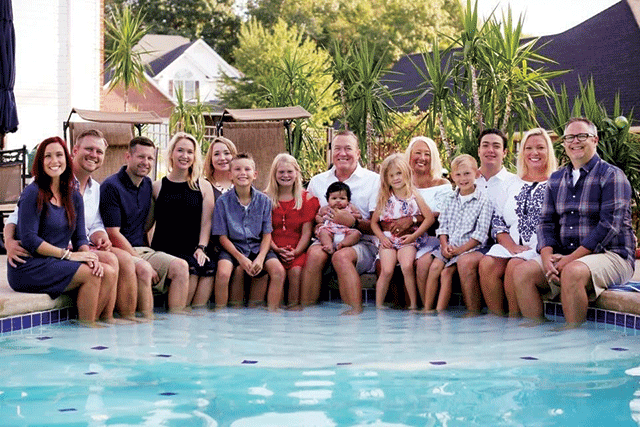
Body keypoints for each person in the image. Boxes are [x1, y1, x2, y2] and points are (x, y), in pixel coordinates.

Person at [4, 130, 144, 321]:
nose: (54, 160)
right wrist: (70, 255)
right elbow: (29, 238)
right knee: (93, 275)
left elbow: (80, 238)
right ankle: (87, 327)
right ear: (40, 161)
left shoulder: (74, 196)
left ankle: (103, 322)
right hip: (29, 265)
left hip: (55, 261)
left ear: (66, 159)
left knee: (107, 271)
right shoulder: (33, 192)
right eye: (48, 156)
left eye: (59, 155)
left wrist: (87, 255)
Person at [513, 118, 636, 328]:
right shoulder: (557, 178)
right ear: (564, 143)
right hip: (567, 255)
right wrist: (546, 258)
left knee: (572, 272)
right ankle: (536, 337)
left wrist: (570, 259)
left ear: (595, 140)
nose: (575, 141)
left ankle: (573, 338)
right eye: (570, 137)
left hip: (612, 255)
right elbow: (546, 222)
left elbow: (608, 226)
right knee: (523, 273)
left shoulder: (612, 176)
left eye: (582, 136)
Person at [100, 136, 190, 313]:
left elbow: (146, 225)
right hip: (116, 250)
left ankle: (177, 327)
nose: (146, 162)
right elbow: (113, 234)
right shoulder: (111, 186)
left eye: (150, 158)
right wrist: (140, 260)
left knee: (181, 267)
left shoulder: (147, 184)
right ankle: (147, 326)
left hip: (141, 249)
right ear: (128, 157)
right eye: (141, 157)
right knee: (144, 270)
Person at [479, 128, 558, 316]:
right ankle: (496, 321)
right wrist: (511, 246)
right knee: (486, 264)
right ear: (522, 152)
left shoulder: (556, 182)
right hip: (511, 245)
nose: (534, 153)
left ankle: (515, 323)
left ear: (549, 151)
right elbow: (497, 220)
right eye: (528, 148)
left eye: (540, 147)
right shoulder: (511, 183)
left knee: (515, 266)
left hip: (541, 248)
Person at [301, 130, 380, 315]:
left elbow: (379, 227)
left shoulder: (373, 181)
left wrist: (352, 223)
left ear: (358, 153)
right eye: (337, 148)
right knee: (314, 254)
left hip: (361, 242)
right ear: (331, 152)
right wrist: (319, 225)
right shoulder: (318, 181)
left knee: (341, 257)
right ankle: (306, 315)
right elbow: (310, 220)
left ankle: (354, 313)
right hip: (325, 239)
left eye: (348, 148)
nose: (342, 153)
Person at [384, 136, 453, 306]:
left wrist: (412, 220)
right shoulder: (399, 182)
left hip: (430, 238)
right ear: (409, 156)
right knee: (385, 265)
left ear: (433, 158)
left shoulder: (442, 184)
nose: (422, 158)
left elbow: (442, 215)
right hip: (399, 239)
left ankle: (423, 311)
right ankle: (396, 313)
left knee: (421, 265)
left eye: (427, 154)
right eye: (418, 153)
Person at [212, 152, 285, 311]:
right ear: (230, 175)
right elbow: (222, 237)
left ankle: (273, 313)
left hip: (257, 247)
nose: (243, 173)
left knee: (278, 271)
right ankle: (220, 314)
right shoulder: (222, 202)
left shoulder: (264, 200)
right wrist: (241, 258)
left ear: (255, 175)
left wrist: (260, 258)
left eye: (247, 169)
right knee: (223, 273)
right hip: (232, 248)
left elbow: (267, 235)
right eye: (237, 169)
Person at [151, 132, 216, 308]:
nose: (185, 156)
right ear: (171, 153)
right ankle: (179, 315)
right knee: (192, 268)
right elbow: (148, 225)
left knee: (209, 267)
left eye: (189, 152)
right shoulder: (157, 187)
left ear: (195, 156)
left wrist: (201, 248)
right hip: (166, 248)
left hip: (193, 248)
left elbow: (206, 222)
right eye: (180, 150)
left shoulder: (203, 186)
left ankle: (196, 320)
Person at [456, 129, 516, 313]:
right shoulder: (467, 180)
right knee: (464, 262)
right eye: (485, 145)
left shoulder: (513, 182)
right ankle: (473, 315)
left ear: (504, 152)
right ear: (479, 150)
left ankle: (495, 317)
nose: (490, 150)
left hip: (502, 242)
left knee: (469, 262)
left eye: (496, 146)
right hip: (471, 241)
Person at [423, 154, 492, 313]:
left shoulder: (483, 200)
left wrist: (459, 251)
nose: (463, 179)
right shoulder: (450, 199)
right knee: (434, 268)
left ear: (476, 173)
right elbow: (442, 226)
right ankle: (427, 311)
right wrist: (444, 245)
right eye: (458, 175)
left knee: (446, 274)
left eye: (467, 173)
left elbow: (480, 234)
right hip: (449, 247)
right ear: (452, 177)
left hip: (469, 249)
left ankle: (440, 313)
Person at [370, 153, 435, 310]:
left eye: (398, 173)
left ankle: (413, 305)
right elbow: (374, 223)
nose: (396, 178)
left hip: (408, 239)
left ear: (406, 172)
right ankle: (378, 307)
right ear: (386, 179)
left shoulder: (414, 195)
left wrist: (413, 236)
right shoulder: (384, 197)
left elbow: (429, 219)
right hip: (388, 239)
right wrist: (381, 238)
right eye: (391, 175)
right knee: (387, 270)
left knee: (407, 266)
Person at [264, 153, 319, 307]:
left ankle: (294, 314)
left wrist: (294, 253)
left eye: (289, 171)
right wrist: (276, 249)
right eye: (281, 172)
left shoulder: (306, 199)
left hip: (297, 249)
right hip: (272, 248)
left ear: (296, 173)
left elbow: (306, 233)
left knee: (295, 272)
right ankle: (276, 313)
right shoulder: (265, 199)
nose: (285, 175)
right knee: (278, 271)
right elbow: (265, 231)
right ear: (274, 174)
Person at [315, 182, 362, 255]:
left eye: (342, 198)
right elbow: (318, 216)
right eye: (334, 198)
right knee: (323, 232)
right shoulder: (326, 208)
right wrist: (320, 220)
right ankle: (328, 246)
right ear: (328, 200)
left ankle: (342, 244)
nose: (338, 201)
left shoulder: (350, 207)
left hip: (345, 230)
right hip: (330, 229)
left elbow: (359, 216)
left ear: (348, 200)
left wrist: (352, 216)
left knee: (356, 234)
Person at [203, 136, 237, 200]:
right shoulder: (203, 186)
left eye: (226, 153)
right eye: (216, 154)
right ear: (210, 159)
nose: (222, 158)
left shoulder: (242, 183)